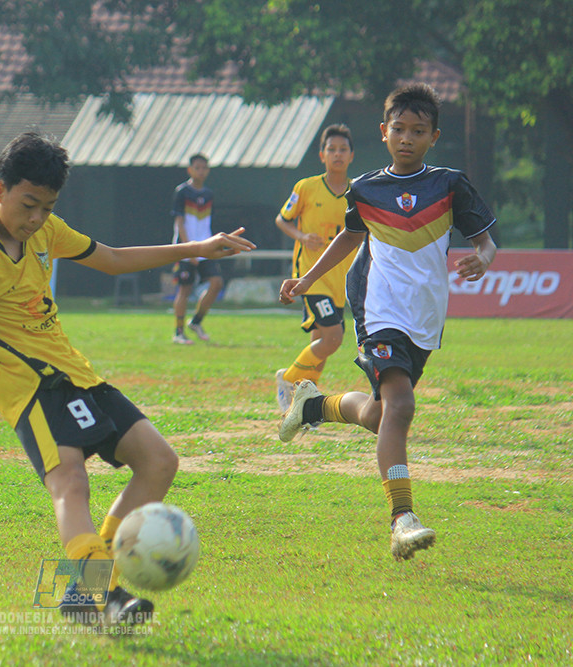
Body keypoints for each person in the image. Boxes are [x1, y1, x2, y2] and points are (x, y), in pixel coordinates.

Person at [0, 131, 255, 625]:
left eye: (47, 208)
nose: (36, 219)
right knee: (71, 484)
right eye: (28, 205)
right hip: (32, 390)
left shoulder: (45, 231)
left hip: (78, 374)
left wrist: (198, 247)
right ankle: (104, 596)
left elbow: (111, 259)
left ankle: (84, 586)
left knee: (159, 462)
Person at [278, 84, 496, 562]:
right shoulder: (367, 188)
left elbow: (486, 242)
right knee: (401, 406)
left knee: (381, 416)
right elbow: (348, 239)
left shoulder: (450, 184)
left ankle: (312, 406)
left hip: (425, 316)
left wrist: (483, 258)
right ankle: (402, 519)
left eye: (418, 131)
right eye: (399, 129)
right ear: (383, 132)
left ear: (433, 136)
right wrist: (306, 277)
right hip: (378, 308)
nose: (406, 138)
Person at [273, 125, 356, 412]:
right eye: (331, 149)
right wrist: (301, 236)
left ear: (351, 156)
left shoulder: (357, 192)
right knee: (333, 339)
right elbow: (282, 219)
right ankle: (288, 379)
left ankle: (304, 404)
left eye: (342, 150)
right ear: (322, 155)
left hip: (340, 281)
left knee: (320, 343)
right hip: (311, 277)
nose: (337, 154)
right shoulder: (305, 187)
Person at [170, 153, 225, 344]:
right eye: (197, 167)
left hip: (205, 246)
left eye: (204, 168)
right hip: (186, 247)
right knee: (184, 289)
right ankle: (178, 332)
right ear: (190, 170)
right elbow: (179, 221)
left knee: (216, 282)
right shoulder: (182, 192)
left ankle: (196, 321)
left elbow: (208, 223)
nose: (201, 171)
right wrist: (188, 248)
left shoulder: (209, 194)